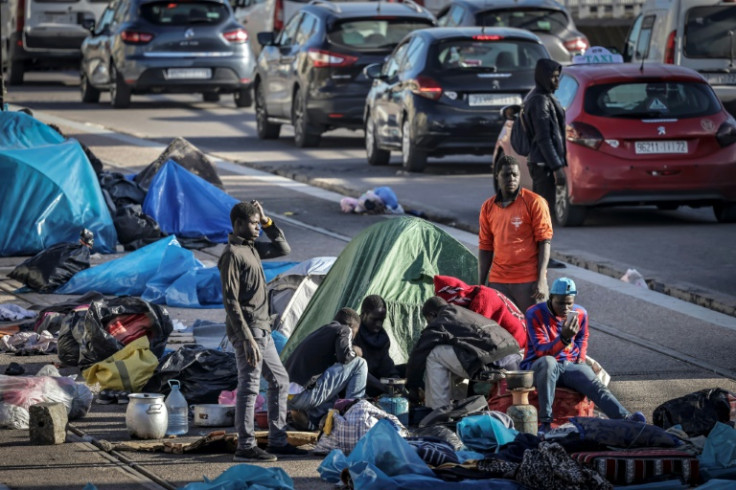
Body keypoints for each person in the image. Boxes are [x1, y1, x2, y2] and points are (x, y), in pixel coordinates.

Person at [218, 200, 306, 462]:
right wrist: (246, 339)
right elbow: (231, 301)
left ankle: (278, 441)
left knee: (279, 381)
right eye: (254, 223)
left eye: (259, 224)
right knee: (250, 386)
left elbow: (282, 247)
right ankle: (245, 446)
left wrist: (268, 221)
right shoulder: (232, 254)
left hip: (263, 328)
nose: (257, 228)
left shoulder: (251, 248)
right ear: (238, 224)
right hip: (248, 331)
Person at [521, 277, 646, 435]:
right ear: (551, 298)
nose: (565, 308)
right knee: (549, 362)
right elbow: (541, 351)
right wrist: (564, 339)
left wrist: (580, 356)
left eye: (569, 303)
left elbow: (582, 336)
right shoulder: (535, 313)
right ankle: (545, 422)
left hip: (567, 365)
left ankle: (625, 418)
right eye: (560, 303)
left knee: (591, 380)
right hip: (538, 366)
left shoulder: (580, 313)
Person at [406, 296, 521, 409]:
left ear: (432, 315)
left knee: (435, 354)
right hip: (515, 360)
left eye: (428, 321)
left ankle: (437, 411)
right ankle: (458, 405)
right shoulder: (464, 313)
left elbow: (419, 353)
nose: (429, 325)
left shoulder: (442, 321)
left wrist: (412, 385)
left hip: (494, 366)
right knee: (453, 352)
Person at [478, 155, 553, 313]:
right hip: (498, 281)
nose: (511, 178)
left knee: (535, 330)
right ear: (497, 176)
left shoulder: (534, 202)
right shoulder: (488, 207)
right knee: (502, 331)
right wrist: (481, 283)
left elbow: (544, 241)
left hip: (528, 280)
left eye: (515, 175)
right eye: (506, 175)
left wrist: (540, 280)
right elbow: (485, 247)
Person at [285, 307, 367, 431]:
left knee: (333, 394)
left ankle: (310, 423)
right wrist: (355, 351)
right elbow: (345, 357)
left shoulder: (322, 331)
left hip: (286, 396)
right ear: (351, 326)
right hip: (303, 397)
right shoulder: (345, 329)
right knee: (360, 364)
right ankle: (353, 418)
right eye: (355, 333)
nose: (353, 337)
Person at [523, 58, 567, 268]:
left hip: (543, 163)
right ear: (543, 76)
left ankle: (543, 256)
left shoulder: (545, 97)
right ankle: (541, 258)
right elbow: (543, 138)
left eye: (558, 76)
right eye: (553, 76)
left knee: (543, 213)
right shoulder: (539, 100)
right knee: (542, 215)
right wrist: (557, 167)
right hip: (543, 165)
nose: (557, 81)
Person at [352, 295, 400, 397]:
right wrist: (382, 387)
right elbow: (355, 368)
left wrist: (395, 379)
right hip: (354, 385)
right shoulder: (353, 332)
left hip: (377, 383)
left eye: (381, 320)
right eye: (374, 319)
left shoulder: (382, 338)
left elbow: (386, 363)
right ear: (364, 314)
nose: (378, 324)